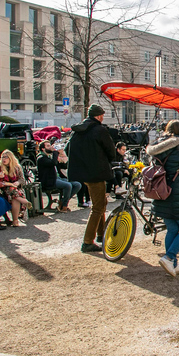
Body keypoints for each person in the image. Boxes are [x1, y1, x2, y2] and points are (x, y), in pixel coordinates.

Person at [146, 120, 179, 277]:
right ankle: (169, 257)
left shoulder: (155, 146)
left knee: (172, 228)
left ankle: (173, 264)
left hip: (161, 192)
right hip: (177, 191)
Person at [67, 104, 115, 253]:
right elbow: (111, 151)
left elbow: (67, 149)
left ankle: (101, 234)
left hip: (82, 172)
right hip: (97, 172)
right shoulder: (100, 130)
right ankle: (88, 241)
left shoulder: (77, 131)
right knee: (98, 207)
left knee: (100, 202)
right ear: (99, 116)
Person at [37, 140, 82, 212]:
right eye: (48, 146)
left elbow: (62, 166)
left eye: (50, 145)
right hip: (49, 180)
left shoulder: (50, 157)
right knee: (68, 185)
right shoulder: (41, 158)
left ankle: (62, 202)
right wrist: (55, 153)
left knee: (77, 184)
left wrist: (64, 158)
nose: (50, 147)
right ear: (43, 148)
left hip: (58, 178)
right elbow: (52, 163)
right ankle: (64, 205)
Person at [0, 149, 31, 227]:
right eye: (2, 157)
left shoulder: (17, 167)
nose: (4, 159)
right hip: (1, 189)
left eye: (6, 157)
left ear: (11, 158)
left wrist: (18, 182)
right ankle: (24, 201)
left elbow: (22, 180)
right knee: (12, 191)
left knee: (14, 195)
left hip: (15, 189)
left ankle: (15, 220)